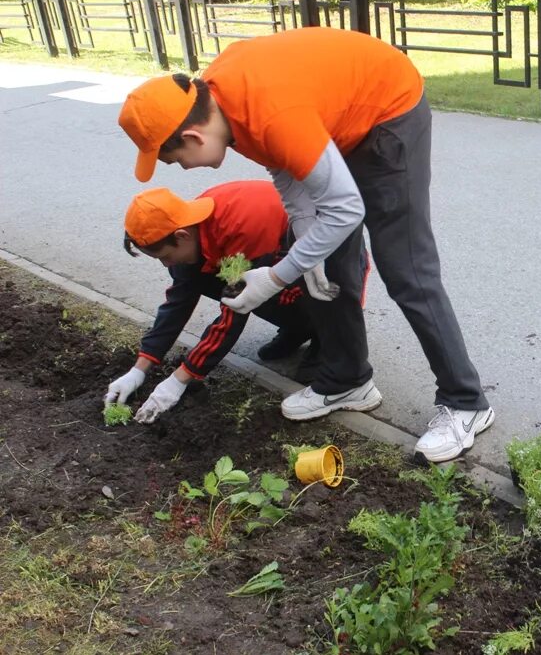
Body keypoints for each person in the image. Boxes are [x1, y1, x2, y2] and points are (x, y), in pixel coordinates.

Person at [117, 27, 493, 462]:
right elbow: (285, 171)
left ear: (193, 138)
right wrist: (304, 237)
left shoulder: (271, 113)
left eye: (174, 159)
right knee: (321, 256)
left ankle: (466, 403)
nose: (182, 169)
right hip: (327, 122)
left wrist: (277, 276)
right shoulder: (224, 109)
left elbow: (345, 209)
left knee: (406, 269)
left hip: (386, 112)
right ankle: (347, 378)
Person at [104, 181, 368, 423]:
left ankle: (323, 337)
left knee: (252, 292)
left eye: (166, 256)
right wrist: (140, 368)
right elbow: (178, 303)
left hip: (332, 268)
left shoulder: (238, 228)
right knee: (202, 277)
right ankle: (297, 328)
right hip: (276, 262)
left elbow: (235, 312)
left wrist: (180, 378)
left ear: (182, 235)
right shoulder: (191, 229)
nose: (166, 264)